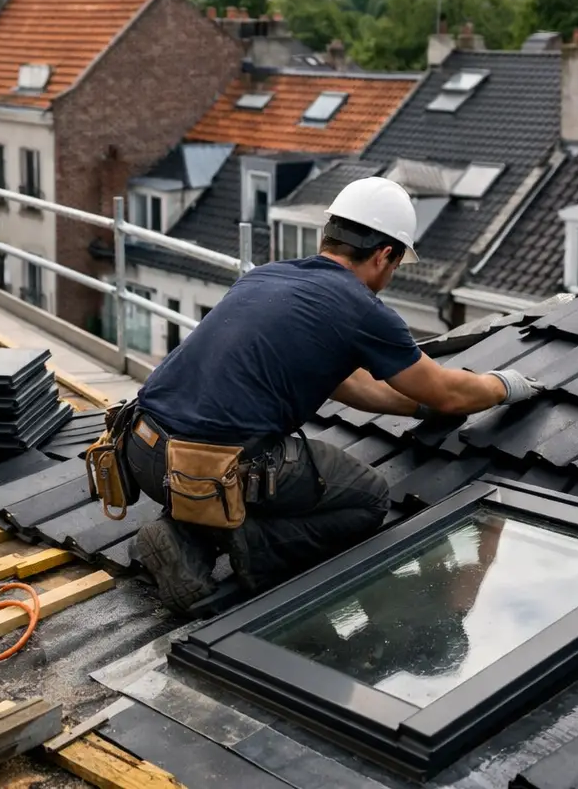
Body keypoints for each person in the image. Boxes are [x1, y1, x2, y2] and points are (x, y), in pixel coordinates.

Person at [122, 176, 544, 615]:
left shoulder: (267, 275)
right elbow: (449, 391)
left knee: (248, 452)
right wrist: (502, 386)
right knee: (368, 498)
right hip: (208, 468)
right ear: (384, 255)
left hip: (143, 451)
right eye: (396, 265)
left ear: (329, 235)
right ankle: (228, 539)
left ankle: (183, 531)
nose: (391, 275)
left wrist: (421, 407)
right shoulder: (358, 307)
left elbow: (350, 383)